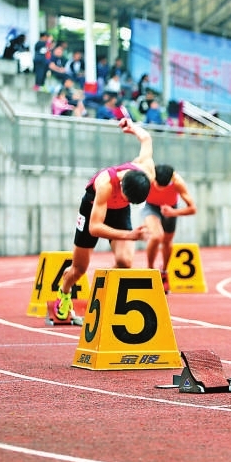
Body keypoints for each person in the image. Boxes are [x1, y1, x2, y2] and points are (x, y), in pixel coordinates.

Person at [50, 118, 155, 322]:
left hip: (119, 212)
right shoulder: (106, 183)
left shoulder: (146, 170)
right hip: (93, 208)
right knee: (79, 269)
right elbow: (95, 227)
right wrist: (130, 235)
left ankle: (98, 303)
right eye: (127, 198)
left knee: (125, 261)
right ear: (122, 183)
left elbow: (146, 138)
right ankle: (64, 291)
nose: (129, 201)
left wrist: (131, 127)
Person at [141, 164, 197, 293]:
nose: (159, 189)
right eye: (157, 186)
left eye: (163, 188)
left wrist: (173, 212)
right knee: (156, 236)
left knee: (167, 241)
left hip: (170, 208)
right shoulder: (148, 177)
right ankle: (150, 271)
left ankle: (164, 272)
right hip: (150, 207)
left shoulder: (178, 183)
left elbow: (193, 209)